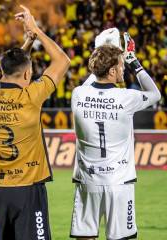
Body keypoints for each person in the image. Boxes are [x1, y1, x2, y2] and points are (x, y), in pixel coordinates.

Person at [0, 5, 70, 240]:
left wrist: (26, 43)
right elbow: (62, 60)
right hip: (28, 188)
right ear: (28, 74)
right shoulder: (31, 96)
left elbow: (9, 70)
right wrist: (36, 31)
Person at [69, 34, 161, 239]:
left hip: (87, 181)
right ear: (112, 71)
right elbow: (155, 94)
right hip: (119, 183)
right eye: (120, 66)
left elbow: (92, 80)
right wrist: (133, 60)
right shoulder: (126, 97)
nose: (123, 69)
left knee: (85, 236)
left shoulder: (78, 94)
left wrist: (102, 50)